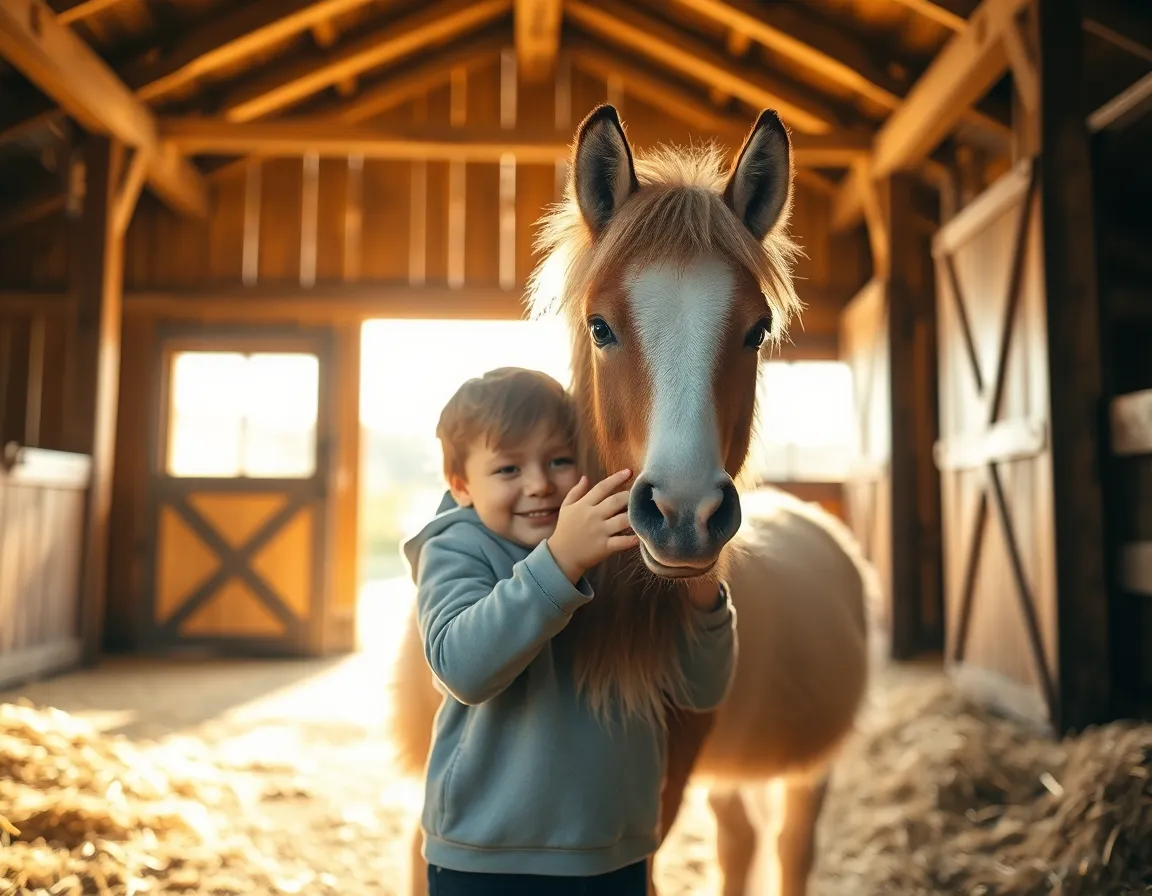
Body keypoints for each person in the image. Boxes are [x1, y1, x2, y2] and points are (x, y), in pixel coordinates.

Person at [402, 367, 737, 896]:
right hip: (489, 857)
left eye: (559, 460)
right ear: (460, 485)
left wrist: (702, 591)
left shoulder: (623, 547)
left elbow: (703, 689)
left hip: (615, 850)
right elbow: (461, 669)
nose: (539, 484)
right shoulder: (458, 547)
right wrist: (560, 561)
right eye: (508, 468)